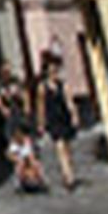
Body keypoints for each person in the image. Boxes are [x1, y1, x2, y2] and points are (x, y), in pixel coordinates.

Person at [0, 64, 45, 192]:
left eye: (8, 70)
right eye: (4, 71)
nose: (7, 73)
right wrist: (3, 109)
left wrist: (26, 107)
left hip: (20, 117)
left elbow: (24, 94)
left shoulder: (16, 82)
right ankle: (21, 179)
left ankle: (38, 177)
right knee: (16, 151)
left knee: (30, 149)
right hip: (11, 120)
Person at [37, 53, 79, 190]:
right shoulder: (42, 87)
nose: (54, 72)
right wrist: (41, 123)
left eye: (56, 70)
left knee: (67, 148)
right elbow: (41, 107)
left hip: (64, 118)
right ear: (47, 71)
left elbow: (69, 101)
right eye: (52, 70)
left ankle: (69, 171)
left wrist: (74, 115)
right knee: (60, 147)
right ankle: (69, 176)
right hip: (53, 120)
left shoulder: (63, 85)